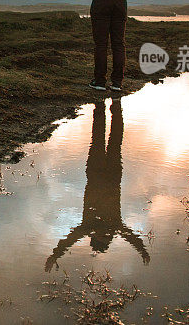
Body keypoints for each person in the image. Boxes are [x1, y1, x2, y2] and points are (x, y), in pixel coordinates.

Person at [44, 99, 149, 271]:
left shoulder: (87, 226)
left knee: (98, 138)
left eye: (102, 237)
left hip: (95, 172)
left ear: (94, 237)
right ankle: (116, 107)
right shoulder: (114, 225)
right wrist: (142, 249)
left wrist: (55, 255)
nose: (104, 234)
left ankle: (100, 106)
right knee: (115, 140)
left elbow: (69, 240)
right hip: (113, 175)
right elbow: (130, 236)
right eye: (106, 238)